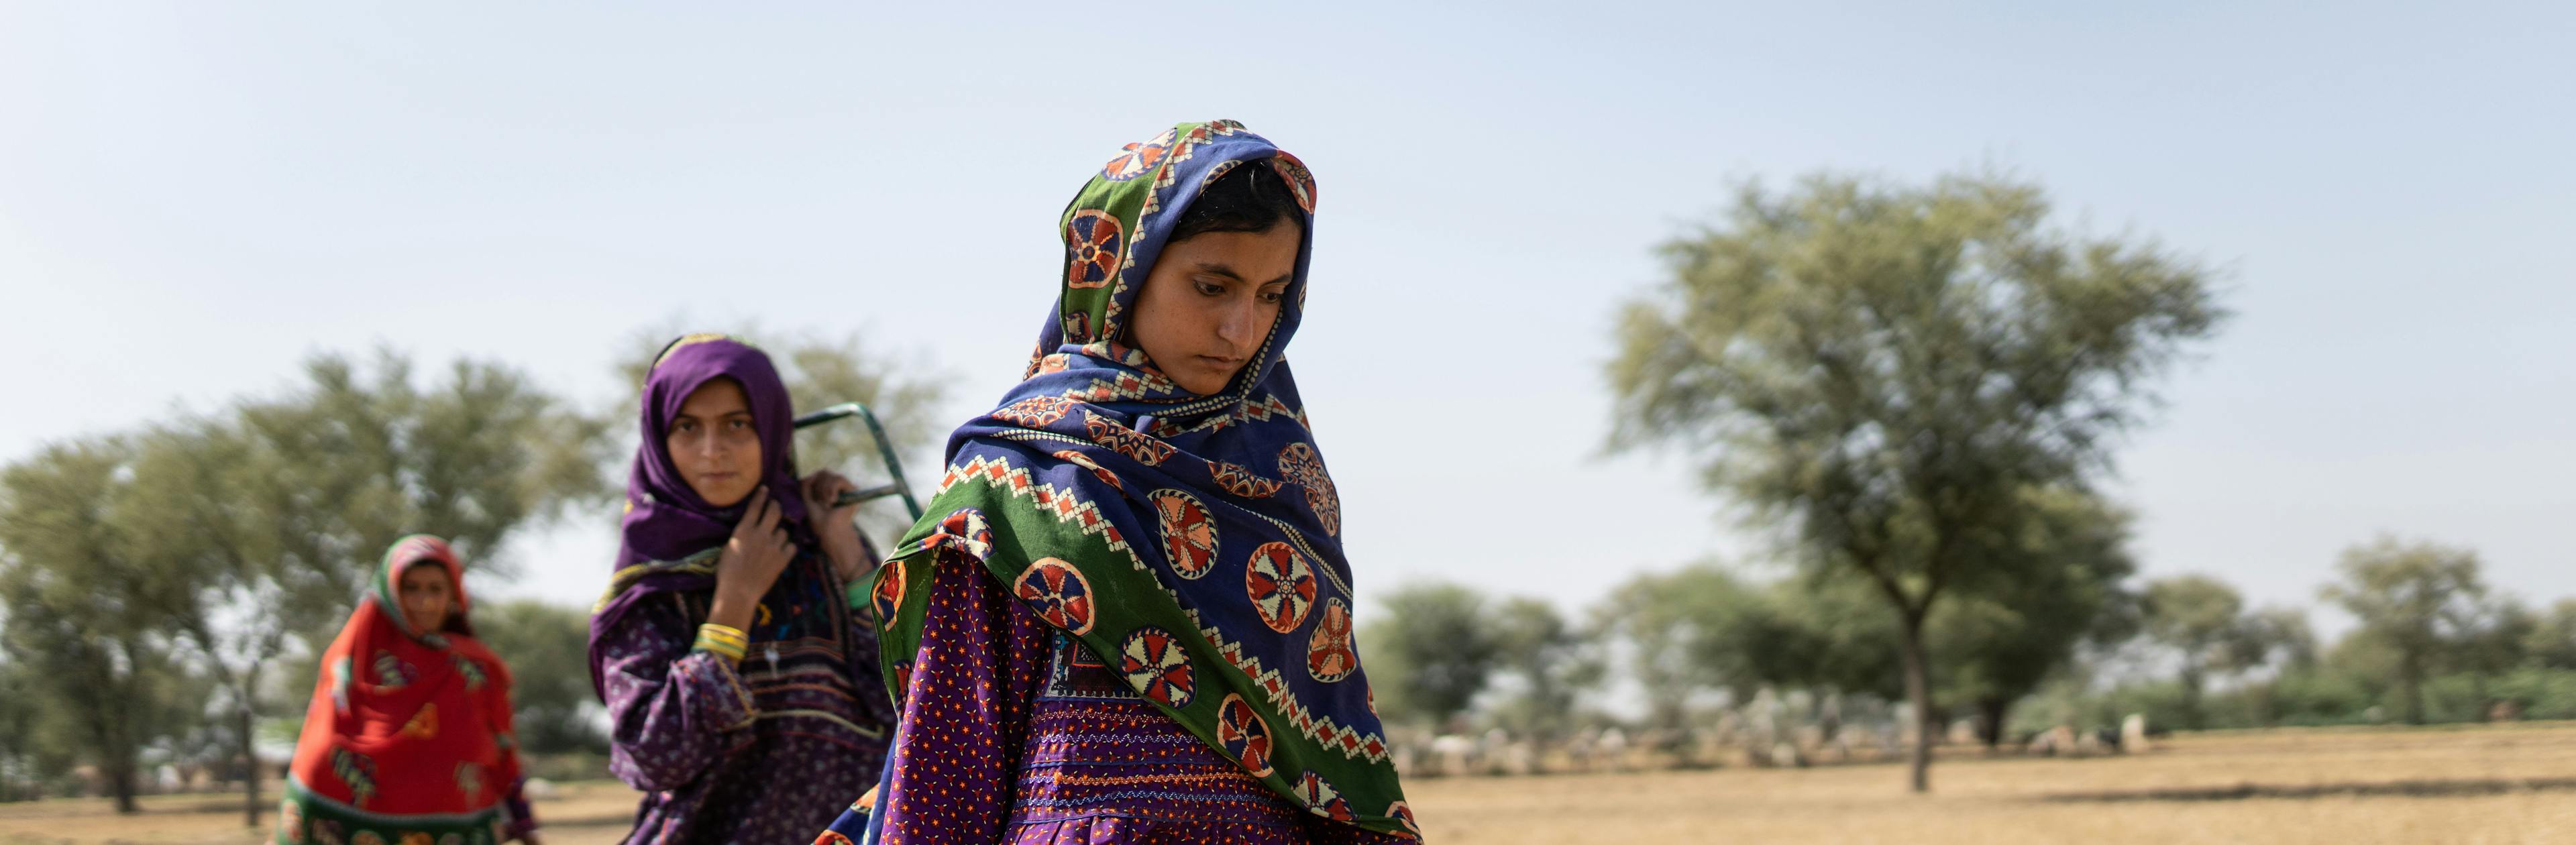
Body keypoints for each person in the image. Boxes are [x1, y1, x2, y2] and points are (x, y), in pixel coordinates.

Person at [822, 121, 1416, 844]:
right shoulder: (1016, 485)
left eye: (1272, 295)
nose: (1241, 328)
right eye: (1212, 286)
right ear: (1118, 273)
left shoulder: (1286, 480)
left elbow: (1328, 760)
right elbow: (950, 769)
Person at [590, 334, 897, 844]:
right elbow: (653, 755)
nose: (714, 452)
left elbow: (907, 701)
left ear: (772, 428)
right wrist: (733, 606)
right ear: (659, 439)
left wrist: (846, 551)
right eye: (688, 427)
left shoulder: (825, 546)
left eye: (738, 424)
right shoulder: (653, 585)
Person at [279, 534, 539, 845]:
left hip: (459, 830)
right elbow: (322, 744)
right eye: (411, 588)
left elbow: (502, 748)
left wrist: (523, 821)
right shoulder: (352, 660)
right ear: (390, 593)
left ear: (454, 594)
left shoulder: (478, 668)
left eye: (435, 589)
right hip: (346, 828)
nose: (425, 602)